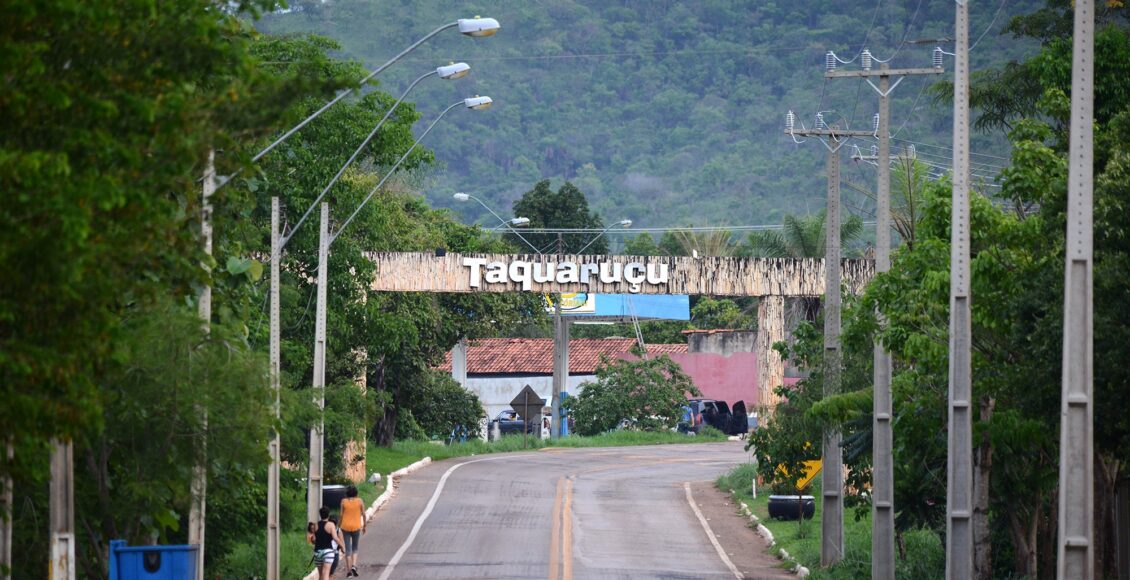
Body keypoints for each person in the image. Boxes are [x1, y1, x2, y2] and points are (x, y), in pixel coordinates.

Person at [307, 506, 345, 580]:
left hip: (317, 552)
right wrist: (342, 547)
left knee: (320, 575)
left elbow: (314, 540)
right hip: (328, 551)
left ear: (320, 515)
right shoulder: (331, 525)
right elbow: (335, 538)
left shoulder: (315, 525)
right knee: (326, 574)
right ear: (328, 514)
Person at [339, 485, 367, 577]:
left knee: (348, 549)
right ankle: (354, 566)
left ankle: (348, 572)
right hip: (356, 527)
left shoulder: (343, 501)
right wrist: (364, 526)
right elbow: (363, 514)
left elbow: (341, 515)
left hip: (345, 527)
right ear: (356, 493)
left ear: (347, 494)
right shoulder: (360, 501)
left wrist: (339, 525)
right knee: (355, 548)